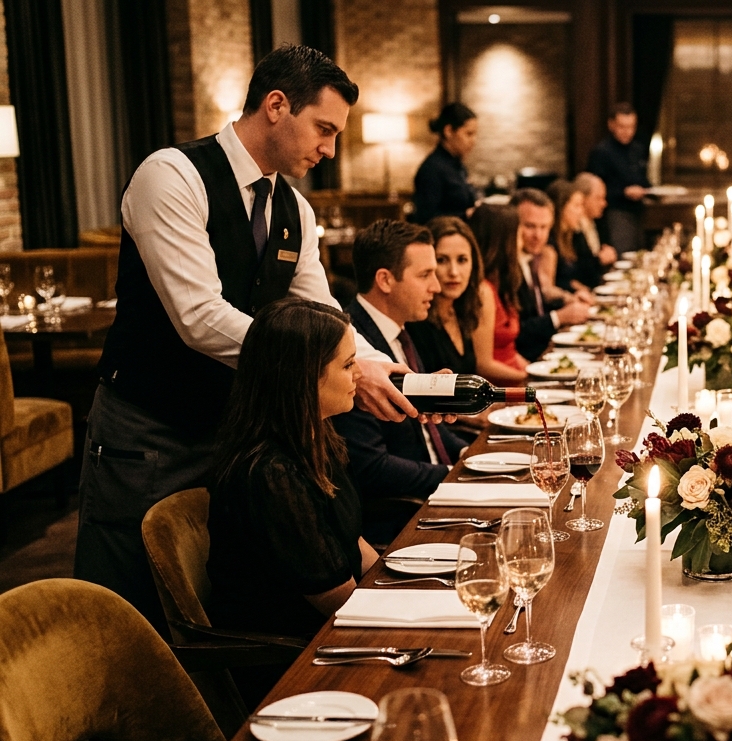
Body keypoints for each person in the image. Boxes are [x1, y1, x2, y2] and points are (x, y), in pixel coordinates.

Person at [75, 44, 415, 633]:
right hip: (149, 428)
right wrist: (340, 368)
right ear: (277, 105)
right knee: (127, 613)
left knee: (217, 594)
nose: (330, 149)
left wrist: (382, 367)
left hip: (231, 429)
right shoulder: (172, 176)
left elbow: (321, 313)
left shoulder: (294, 208)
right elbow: (199, 316)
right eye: (324, 129)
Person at [206, 297, 375, 704]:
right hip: (296, 668)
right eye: (348, 364)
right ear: (304, 377)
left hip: (336, 634)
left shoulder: (316, 437)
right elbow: (338, 600)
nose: (360, 373)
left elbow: (355, 546)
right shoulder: (269, 475)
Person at [332, 220, 466, 539]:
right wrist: (456, 475)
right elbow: (371, 467)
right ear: (385, 280)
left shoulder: (399, 329)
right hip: (402, 518)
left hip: (434, 495)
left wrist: (468, 455)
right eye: (425, 275)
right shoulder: (350, 347)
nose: (436, 286)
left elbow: (427, 428)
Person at [418, 216, 526, 386]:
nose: (454, 272)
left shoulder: (462, 311)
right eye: (442, 260)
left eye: (462, 260)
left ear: (473, 265)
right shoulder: (418, 321)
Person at [512, 187, 591, 362]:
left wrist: (567, 300)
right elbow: (516, 333)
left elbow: (539, 305)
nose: (538, 235)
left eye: (544, 227)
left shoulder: (530, 259)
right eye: (529, 226)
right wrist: (559, 317)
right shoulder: (507, 269)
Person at [587, 102, 651, 254]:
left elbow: (643, 179)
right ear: (611, 125)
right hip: (615, 212)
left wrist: (650, 190)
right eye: (622, 126)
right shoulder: (601, 152)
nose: (627, 132)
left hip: (639, 211)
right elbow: (594, 190)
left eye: (631, 127)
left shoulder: (637, 149)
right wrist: (624, 192)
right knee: (624, 253)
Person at [470, 204, 527, 370]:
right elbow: (483, 365)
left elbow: (510, 351)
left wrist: (532, 369)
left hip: (516, 378)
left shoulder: (502, 283)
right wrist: (527, 380)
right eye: (518, 236)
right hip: (500, 390)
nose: (521, 244)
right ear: (503, 242)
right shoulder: (483, 290)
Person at [411, 102, 479, 224]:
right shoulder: (431, 169)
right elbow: (426, 217)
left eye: (475, 134)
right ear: (448, 131)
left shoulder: (458, 165)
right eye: (469, 134)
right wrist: (466, 215)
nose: (474, 141)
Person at [543, 180, 597, 303]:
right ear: (561, 207)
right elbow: (548, 290)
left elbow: (591, 274)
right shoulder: (548, 243)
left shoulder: (573, 237)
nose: (581, 212)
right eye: (576, 206)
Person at [572, 171, 618, 285]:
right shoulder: (574, 229)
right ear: (583, 198)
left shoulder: (597, 223)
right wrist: (599, 260)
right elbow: (578, 271)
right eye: (599, 198)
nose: (604, 203)